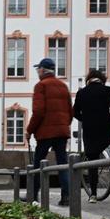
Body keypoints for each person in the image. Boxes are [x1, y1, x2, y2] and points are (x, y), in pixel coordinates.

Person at [26, 58, 73, 206]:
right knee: (62, 163)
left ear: (42, 70)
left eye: (38, 69)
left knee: (38, 164)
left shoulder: (41, 86)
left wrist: (29, 130)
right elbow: (70, 111)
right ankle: (66, 196)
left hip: (45, 132)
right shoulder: (63, 86)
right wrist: (64, 125)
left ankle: (33, 196)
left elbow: (38, 111)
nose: (37, 72)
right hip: (61, 131)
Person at [73, 68, 110, 202]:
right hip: (106, 130)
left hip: (90, 132)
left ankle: (93, 194)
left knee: (93, 163)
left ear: (88, 80)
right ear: (101, 80)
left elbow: (75, 113)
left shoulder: (81, 93)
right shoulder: (106, 90)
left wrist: (87, 119)